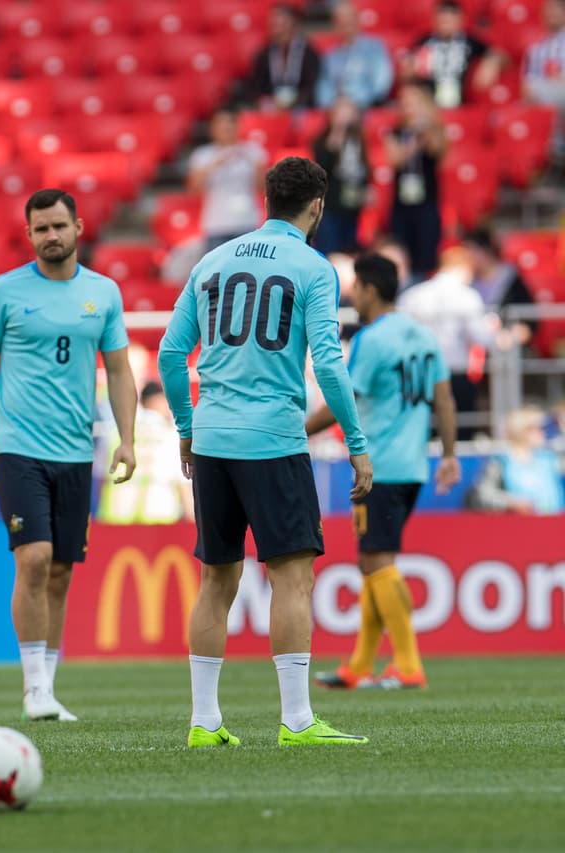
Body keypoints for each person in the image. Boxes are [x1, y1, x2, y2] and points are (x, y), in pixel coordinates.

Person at [157, 156, 374, 748]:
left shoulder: (212, 260)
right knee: (292, 579)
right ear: (317, 207)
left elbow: (171, 356)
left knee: (215, 581)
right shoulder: (314, 267)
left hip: (214, 438)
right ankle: (298, 721)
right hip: (274, 438)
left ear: (265, 200)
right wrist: (355, 443)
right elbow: (328, 362)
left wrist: (185, 425)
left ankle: (205, 723)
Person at [0, 188, 138, 723]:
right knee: (34, 558)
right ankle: (33, 688)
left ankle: (48, 689)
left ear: (79, 227)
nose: (51, 236)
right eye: (41, 229)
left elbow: (120, 371)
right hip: (17, 446)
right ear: (29, 234)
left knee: (61, 571)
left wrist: (127, 439)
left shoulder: (104, 294)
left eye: (58, 226)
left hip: (74, 449)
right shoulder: (4, 292)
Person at [306, 253, 460, 691]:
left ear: (370, 290)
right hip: (412, 466)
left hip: (379, 466)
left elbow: (344, 398)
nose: (352, 293)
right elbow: (444, 400)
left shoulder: (373, 340)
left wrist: (298, 434)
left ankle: (409, 664)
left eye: (355, 285)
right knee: (371, 562)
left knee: (378, 562)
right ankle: (358, 666)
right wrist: (448, 454)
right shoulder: (423, 336)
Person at [397, 247, 494, 439]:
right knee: (460, 434)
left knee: (422, 434)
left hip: (419, 373)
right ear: (464, 268)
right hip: (454, 375)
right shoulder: (467, 296)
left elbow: (399, 334)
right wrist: (491, 328)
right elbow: (481, 338)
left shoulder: (413, 295)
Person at [98, 380, 194, 525]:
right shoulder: (169, 432)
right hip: (159, 517)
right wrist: (192, 523)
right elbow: (182, 480)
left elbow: (100, 476)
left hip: (117, 517)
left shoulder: (116, 432)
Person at [386, 81, 446, 278]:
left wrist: (425, 129)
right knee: (403, 250)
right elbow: (396, 160)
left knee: (426, 254)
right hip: (402, 203)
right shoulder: (396, 132)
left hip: (426, 200)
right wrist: (412, 139)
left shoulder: (433, 129)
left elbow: (439, 151)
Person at [187, 108, 267, 253]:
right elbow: (194, 188)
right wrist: (215, 164)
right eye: (221, 125)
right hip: (216, 224)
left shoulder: (253, 151)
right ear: (213, 128)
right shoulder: (203, 154)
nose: (226, 129)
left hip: (247, 222)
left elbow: (262, 187)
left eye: (230, 125)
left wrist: (252, 163)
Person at [403, 1, 505, 109]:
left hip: (461, 103)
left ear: (460, 20)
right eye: (443, 19)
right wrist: (410, 70)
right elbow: (405, 73)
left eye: (450, 19)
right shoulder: (423, 41)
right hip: (429, 105)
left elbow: (499, 54)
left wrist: (491, 63)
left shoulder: (470, 42)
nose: (446, 23)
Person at [467, 407, 565, 515]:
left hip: (555, 525)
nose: (543, 432)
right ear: (522, 430)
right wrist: (511, 502)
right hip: (518, 526)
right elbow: (482, 495)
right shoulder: (501, 461)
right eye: (538, 428)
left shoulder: (549, 459)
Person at [463, 227, 538, 354]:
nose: (467, 257)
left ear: (485, 250)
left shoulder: (512, 280)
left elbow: (529, 322)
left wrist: (509, 337)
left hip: (505, 354)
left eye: (471, 250)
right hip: (475, 352)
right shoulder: (466, 281)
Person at [312, 97, 371, 256]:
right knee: (330, 253)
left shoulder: (359, 140)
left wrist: (367, 189)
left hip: (353, 207)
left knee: (351, 252)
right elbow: (322, 169)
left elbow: (364, 169)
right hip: (331, 208)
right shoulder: (322, 141)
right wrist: (338, 131)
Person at [315, 2, 394, 110]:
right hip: (337, 109)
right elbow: (324, 87)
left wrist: (355, 102)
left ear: (357, 21)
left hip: (367, 107)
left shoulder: (374, 48)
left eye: (349, 20)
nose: (346, 25)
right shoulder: (330, 56)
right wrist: (333, 104)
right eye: (340, 21)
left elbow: (381, 84)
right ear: (335, 25)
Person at [247, 4, 321, 111]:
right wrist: (263, 100)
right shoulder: (264, 54)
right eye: (275, 25)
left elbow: (312, 87)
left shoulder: (309, 53)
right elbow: (255, 87)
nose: (279, 31)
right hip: (271, 110)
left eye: (283, 25)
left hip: (300, 109)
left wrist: (294, 103)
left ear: (294, 25)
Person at [523, 0, 565, 120]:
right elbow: (528, 83)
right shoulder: (535, 46)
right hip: (544, 98)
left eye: (557, 9)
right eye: (549, 9)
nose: (553, 13)